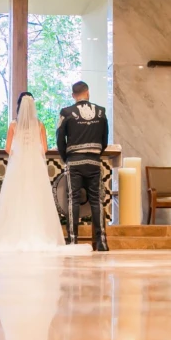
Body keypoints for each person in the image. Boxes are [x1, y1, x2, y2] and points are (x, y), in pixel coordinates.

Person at [0, 92, 90, 254]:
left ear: (19, 106)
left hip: (18, 167)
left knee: (16, 199)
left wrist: (21, 155)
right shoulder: (39, 125)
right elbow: (44, 148)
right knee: (37, 198)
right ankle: (40, 234)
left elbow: (8, 148)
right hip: (36, 167)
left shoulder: (14, 125)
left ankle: (13, 235)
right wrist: (32, 154)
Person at [56, 81, 110, 251]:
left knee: (73, 199)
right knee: (96, 200)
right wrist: (96, 154)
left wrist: (67, 158)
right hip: (94, 161)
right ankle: (101, 241)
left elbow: (60, 139)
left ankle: (73, 240)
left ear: (73, 95)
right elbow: (104, 139)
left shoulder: (66, 112)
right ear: (88, 92)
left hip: (74, 161)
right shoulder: (101, 112)